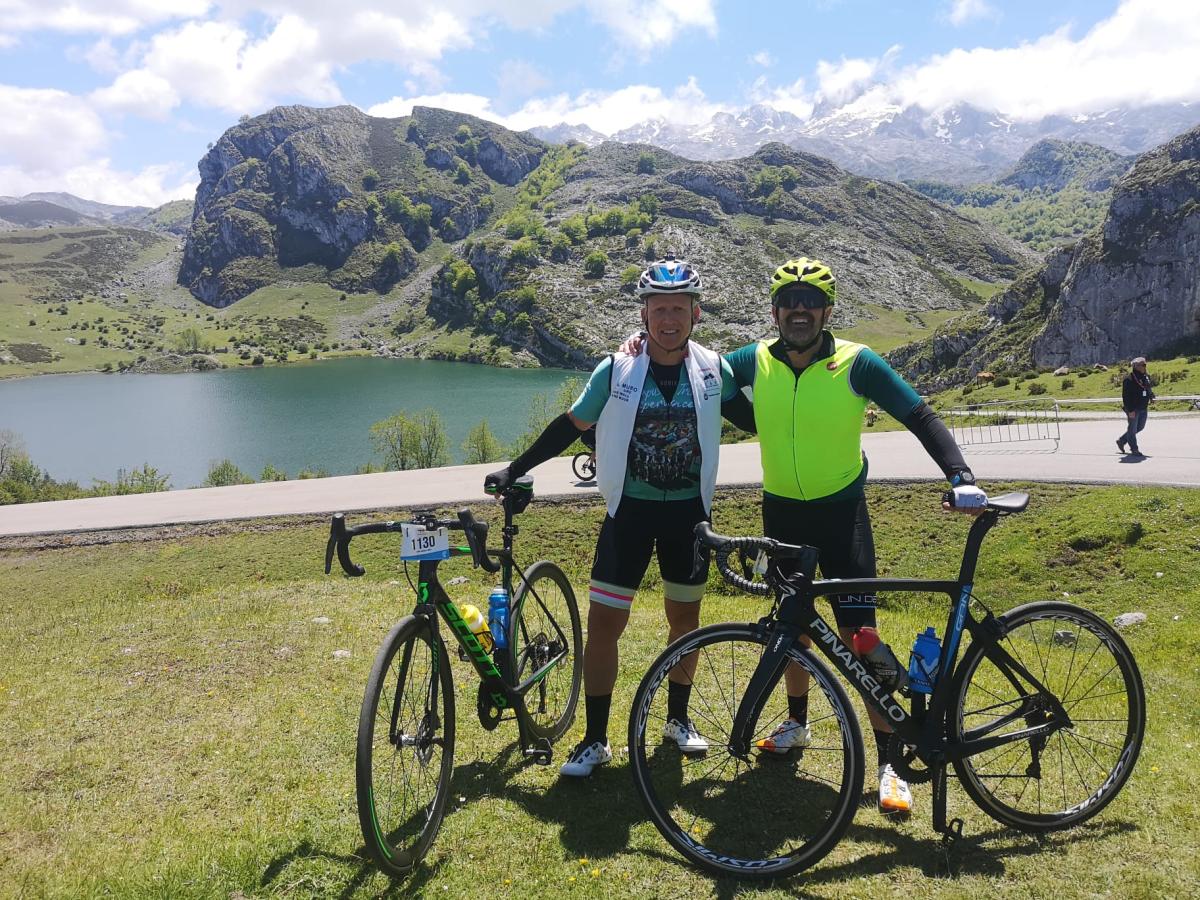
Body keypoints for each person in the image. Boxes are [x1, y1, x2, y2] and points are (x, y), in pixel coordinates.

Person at [622, 257, 986, 815]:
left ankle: (889, 761)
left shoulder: (856, 362)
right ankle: (797, 725)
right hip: (783, 518)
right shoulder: (754, 360)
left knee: (860, 634)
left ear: (826, 311)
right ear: (774, 312)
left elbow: (919, 414)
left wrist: (960, 475)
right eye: (789, 302)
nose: (799, 310)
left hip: (842, 517)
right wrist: (638, 344)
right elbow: (693, 363)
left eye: (810, 302)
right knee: (792, 629)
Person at [484, 258, 752, 778]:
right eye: (659, 309)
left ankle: (677, 720)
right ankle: (595, 739)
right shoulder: (617, 367)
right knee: (604, 625)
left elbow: (761, 418)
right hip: (628, 512)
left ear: (696, 314)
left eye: (679, 309)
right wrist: (515, 468)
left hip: (689, 516)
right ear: (644, 314)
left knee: (686, 623)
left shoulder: (713, 369)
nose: (669, 319)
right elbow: (572, 424)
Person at [1117, 357, 1155, 456]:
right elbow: (1126, 397)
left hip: (1143, 407)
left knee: (1140, 427)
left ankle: (1122, 440)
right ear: (1136, 366)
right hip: (1133, 408)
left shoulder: (1145, 377)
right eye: (1143, 365)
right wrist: (1130, 410)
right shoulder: (1129, 379)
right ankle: (1134, 449)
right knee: (1132, 429)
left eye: (1145, 364)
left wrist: (1151, 396)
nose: (1145, 367)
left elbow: (1148, 388)